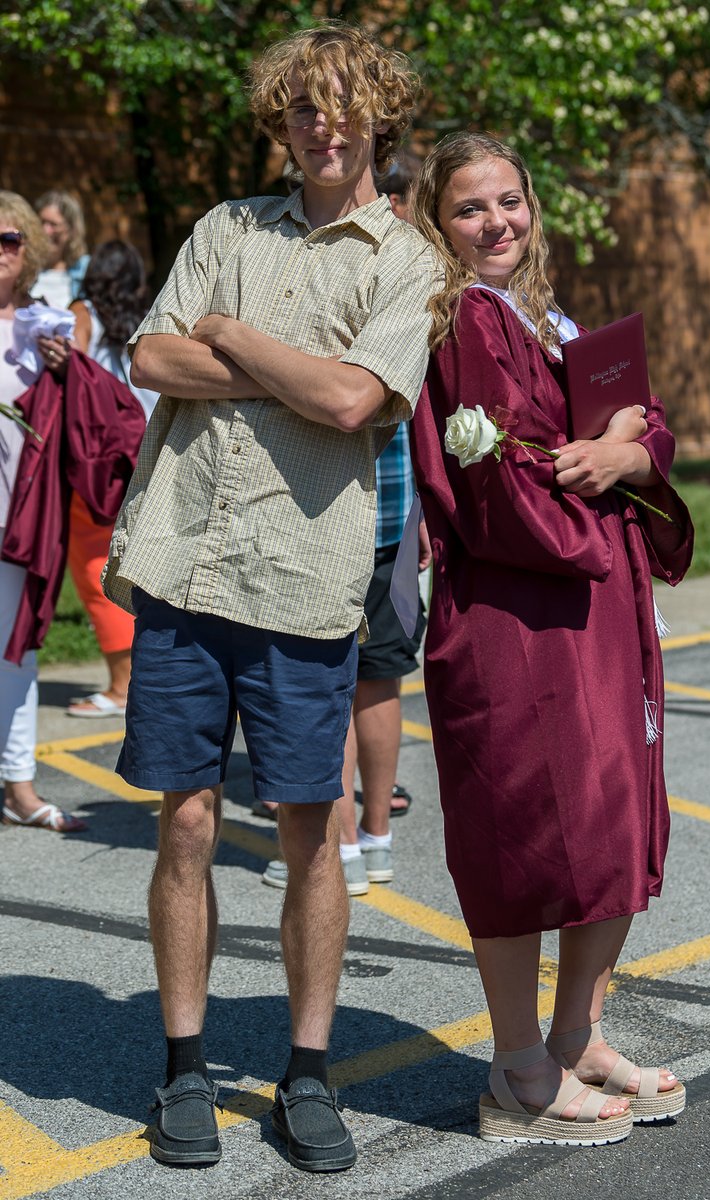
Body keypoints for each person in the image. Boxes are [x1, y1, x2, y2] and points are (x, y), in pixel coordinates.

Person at [102, 22, 436, 1173]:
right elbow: (150, 361)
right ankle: (184, 1064)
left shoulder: (408, 260)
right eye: (303, 106)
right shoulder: (223, 227)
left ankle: (305, 1074)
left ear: (376, 117)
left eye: (344, 105)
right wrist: (303, 375)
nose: (323, 125)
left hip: (303, 581)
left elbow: (356, 402)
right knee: (186, 823)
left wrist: (236, 335)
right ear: (281, 120)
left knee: (311, 835)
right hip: (188, 560)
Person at [409, 133, 694, 1146]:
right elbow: (490, 479)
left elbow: (638, 421)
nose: (497, 223)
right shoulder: (454, 323)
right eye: (469, 209)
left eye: (508, 201)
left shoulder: (547, 313)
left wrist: (627, 451)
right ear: (435, 225)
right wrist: (599, 482)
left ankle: (576, 1034)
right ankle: (518, 1065)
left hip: (594, 606)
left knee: (610, 814)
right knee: (522, 828)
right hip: (515, 610)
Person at [260, 150, 428, 894]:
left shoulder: (370, 273)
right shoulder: (423, 278)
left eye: (396, 195)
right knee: (375, 684)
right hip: (385, 515)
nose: (388, 207)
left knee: (340, 684)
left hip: (342, 515)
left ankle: (349, 843)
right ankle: (367, 839)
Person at [0, 191, 87, 832]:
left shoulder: (45, 324)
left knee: (17, 650)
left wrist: (67, 369)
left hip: (19, 518)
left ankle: (19, 788)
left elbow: (83, 416)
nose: (0, 252)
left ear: (28, 247)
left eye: (9, 240)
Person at [64, 241, 157, 718]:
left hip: (97, 460)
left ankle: (122, 686)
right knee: (131, 570)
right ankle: (140, 678)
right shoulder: (149, 313)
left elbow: (67, 370)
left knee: (94, 567)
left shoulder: (82, 312)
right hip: (145, 454)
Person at [33, 191, 90, 310]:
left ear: (71, 230)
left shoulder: (85, 271)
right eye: (42, 222)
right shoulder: (23, 268)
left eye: (53, 224)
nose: (45, 231)